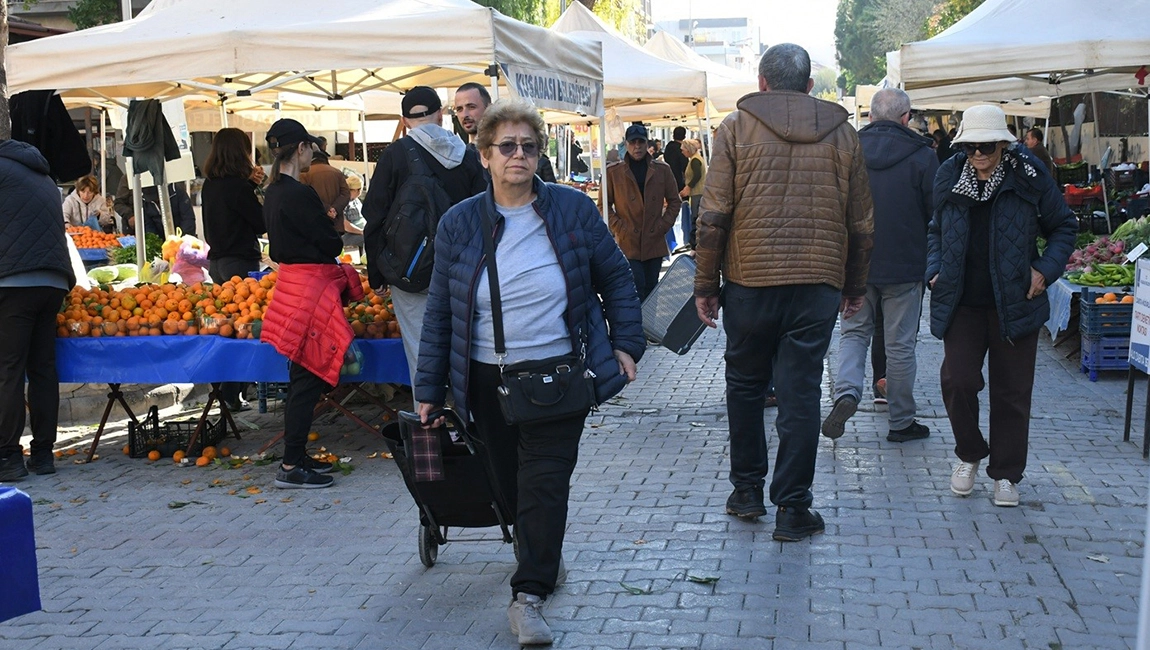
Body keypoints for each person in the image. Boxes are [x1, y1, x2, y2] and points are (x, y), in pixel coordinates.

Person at [414, 98, 644, 646]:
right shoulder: (460, 223)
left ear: (540, 154)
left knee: (545, 484)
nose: (519, 155)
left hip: (558, 375)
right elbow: (442, 311)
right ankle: (539, 551)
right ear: (485, 153)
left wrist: (626, 345)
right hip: (485, 380)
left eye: (529, 146)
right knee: (511, 487)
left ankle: (529, 596)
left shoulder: (571, 210)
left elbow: (616, 278)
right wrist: (428, 389)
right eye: (507, 146)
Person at [694, 43, 873, 541]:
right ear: (810, 86)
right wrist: (854, 284)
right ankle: (793, 508)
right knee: (800, 392)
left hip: (749, 281)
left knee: (746, 385)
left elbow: (713, 218)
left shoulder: (734, 129)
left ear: (762, 81)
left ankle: (747, 490)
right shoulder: (844, 134)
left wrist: (706, 284)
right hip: (817, 281)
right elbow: (861, 224)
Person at [928, 104, 1076, 507]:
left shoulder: (1028, 175)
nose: (978, 154)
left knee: (1012, 393)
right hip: (962, 301)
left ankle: (1007, 474)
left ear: (1003, 145)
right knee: (957, 381)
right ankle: (970, 453)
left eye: (987, 147)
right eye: (971, 147)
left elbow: (1064, 226)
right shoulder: (949, 174)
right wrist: (935, 268)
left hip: (1016, 301)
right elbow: (935, 229)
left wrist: (1044, 270)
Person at [822, 88, 938, 443]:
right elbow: (936, 214)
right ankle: (902, 422)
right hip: (905, 266)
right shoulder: (923, 156)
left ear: (871, 116)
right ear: (906, 118)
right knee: (901, 345)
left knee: (854, 334)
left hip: (856, 264)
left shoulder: (847, 151)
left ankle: (846, 392)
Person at [363, 86, 486, 387]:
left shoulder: (394, 155)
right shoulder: (468, 157)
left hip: (410, 272)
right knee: (464, 350)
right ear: (441, 115)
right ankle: (467, 423)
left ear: (404, 121)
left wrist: (377, 275)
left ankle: (430, 426)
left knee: (421, 353)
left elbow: (375, 217)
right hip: (461, 272)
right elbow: (483, 216)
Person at [258, 118, 354, 489]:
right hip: (310, 291)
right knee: (305, 381)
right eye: (310, 147)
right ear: (300, 148)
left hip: (290, 286)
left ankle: (295, 456)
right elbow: (331, 245)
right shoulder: (299, 193)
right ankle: (290, 465)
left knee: (301, 378)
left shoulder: (273, 192)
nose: (313, 152)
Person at [0, 138, 76, 480]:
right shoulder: (42, 175)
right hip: (53, 283)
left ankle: (9, 457)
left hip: (13, 282)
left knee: (9, 369)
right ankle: (44, 454)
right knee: (43, 369)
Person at [200, 127, 267, 412]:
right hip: (239, 261)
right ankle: (232, 393)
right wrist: (257, 189)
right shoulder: (239, 187)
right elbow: (260, 223)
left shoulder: (210, 184)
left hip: (216, 262)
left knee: (225, 328)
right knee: (243, 329)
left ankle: (226, 392)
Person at [602, 124, 682, 301]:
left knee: (652, 291)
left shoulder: (662, 170)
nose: (637, 146)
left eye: (641, 142)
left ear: (647, 144)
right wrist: (620, 228)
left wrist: (663, 225)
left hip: (653, 240)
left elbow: (675, 201)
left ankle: (648, 328)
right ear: (626, 144)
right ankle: (634, 327)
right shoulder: (613, 172)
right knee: (634, 288)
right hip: (628, 241)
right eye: (633, 142)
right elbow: (603, 206)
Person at [114, 177, 195, 236]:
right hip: (157, 233)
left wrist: (182, 241)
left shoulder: (177, 193)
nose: (155, 201)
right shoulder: (144, 200)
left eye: (156, 199)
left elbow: (188, 219)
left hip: (180, 234)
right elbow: (148, 226)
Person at [300, 141, 351, 232]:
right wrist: (334, 209)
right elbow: (346, 194)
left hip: (315, 224)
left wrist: (327, 209)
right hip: (336, 223)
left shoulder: (304, 174)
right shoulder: (337, 172)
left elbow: (305, 196)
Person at [663, 127, 690, 251]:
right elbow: (685, 168)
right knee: (682, 210)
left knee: (669, 211)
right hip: (680, 184)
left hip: (667, 182)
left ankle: (672, 242)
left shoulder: (668, 148)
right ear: (684, 136)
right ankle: (684, 239)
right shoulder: (681, 151)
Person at [680, 139, 707, 249]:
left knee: (695, 218)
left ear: (688, 150)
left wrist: (688, 186)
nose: (682, 152)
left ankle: (695, 244)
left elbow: (697, 175)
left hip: (697, 193)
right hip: (696, 193)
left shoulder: (695, 160)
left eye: (683, 150)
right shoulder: (695, 159)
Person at [341, 173, 366, 249]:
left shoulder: (355, 200)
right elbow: (346, 226)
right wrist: (362, 232)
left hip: (360, 231)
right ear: (356, 190)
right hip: (348, 236)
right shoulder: (343, 202)